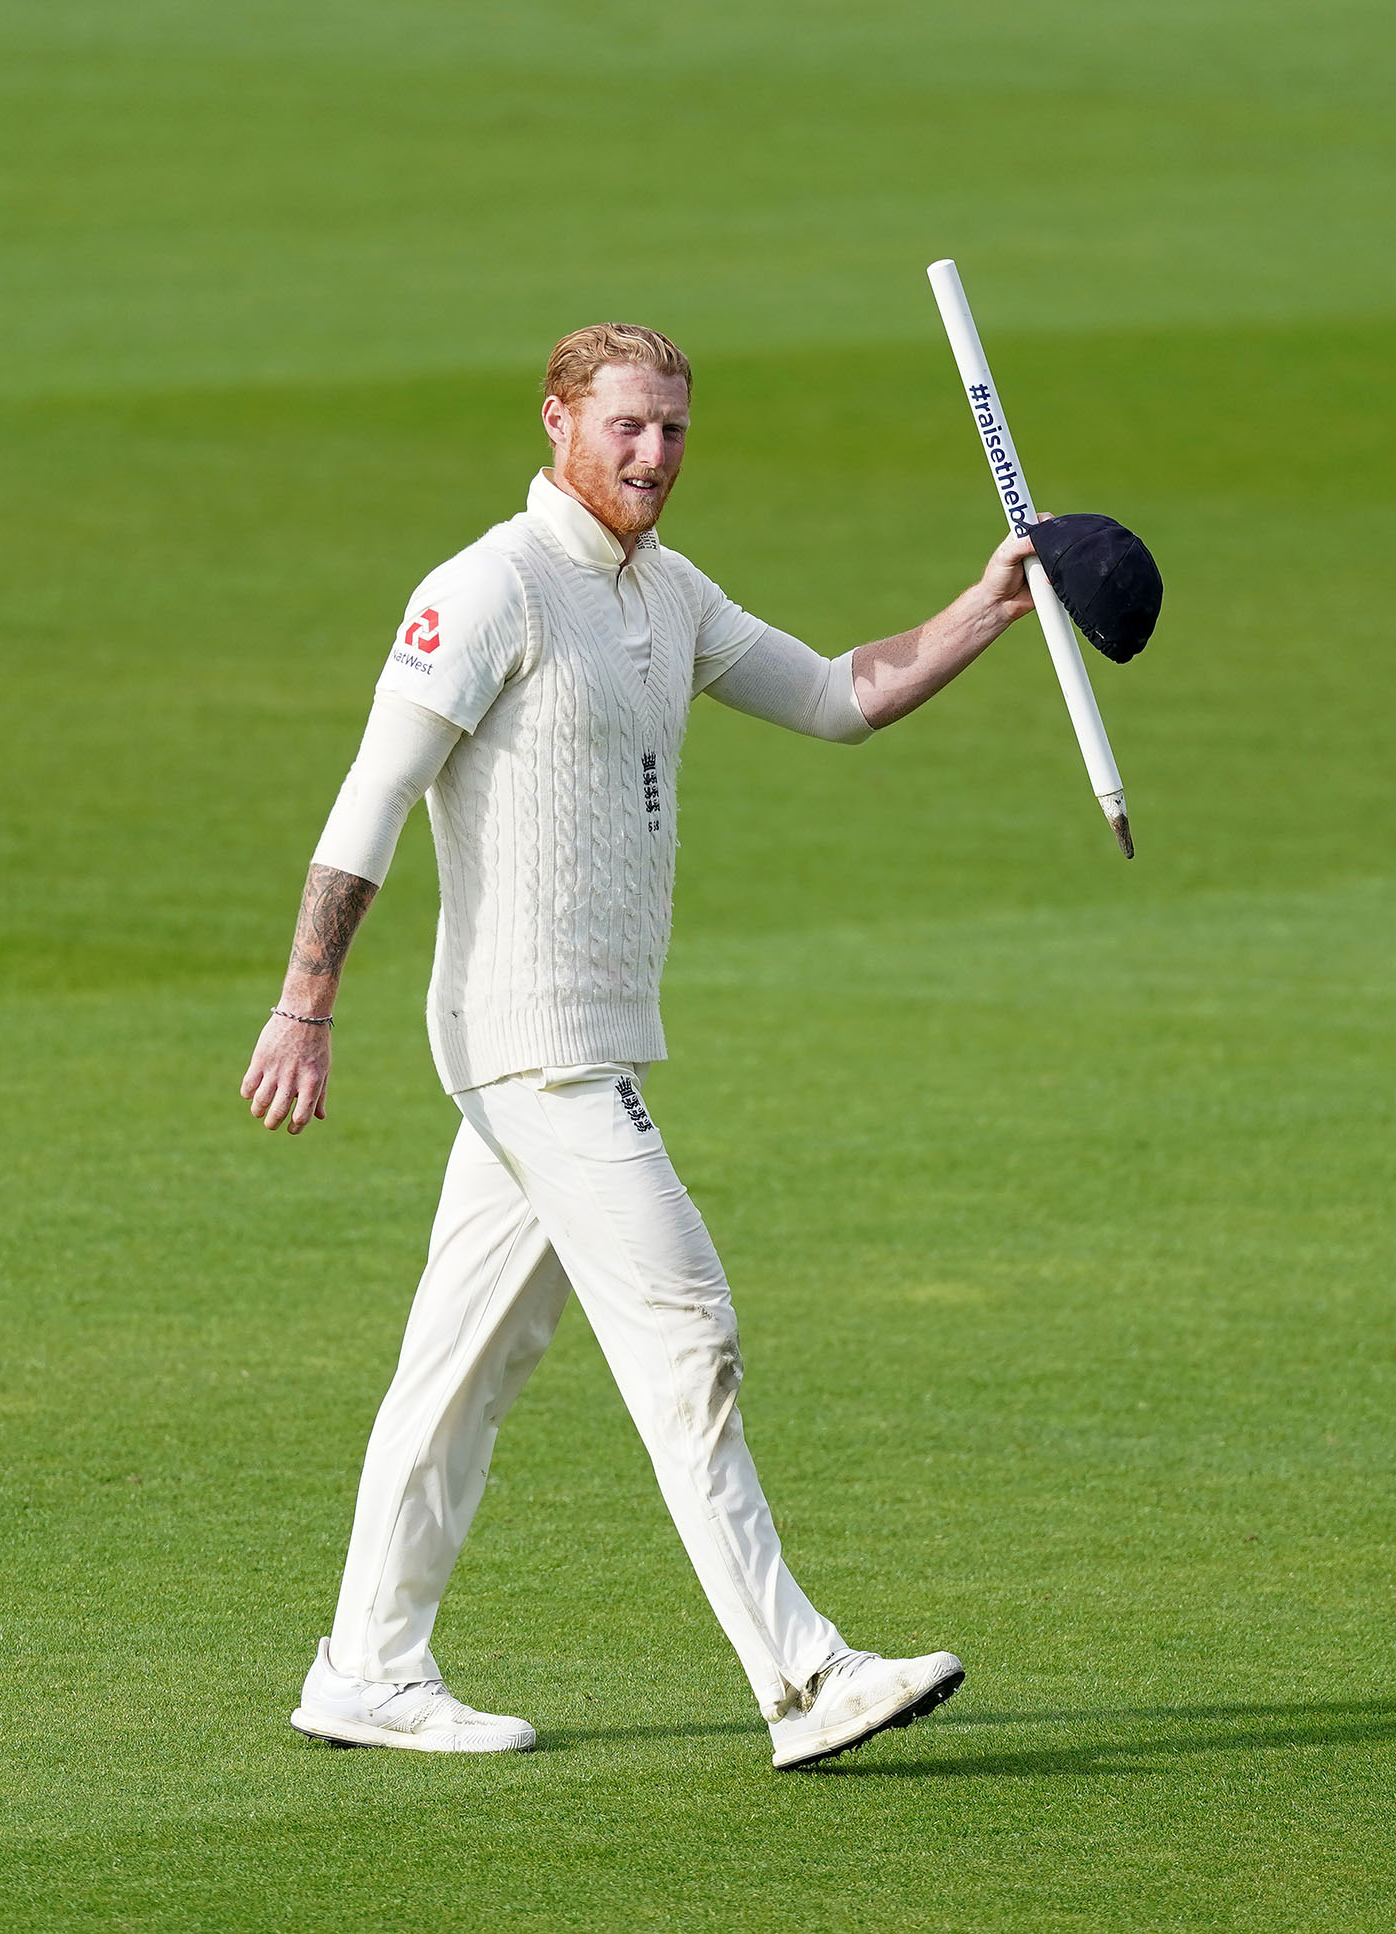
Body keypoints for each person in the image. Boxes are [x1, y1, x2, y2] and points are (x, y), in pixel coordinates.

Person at [241, 322, 1039, 1771]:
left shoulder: (669, 591)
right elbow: (372, 796)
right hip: (531, 1046)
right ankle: (804, 1677)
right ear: (557, 421)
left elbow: (837, 696)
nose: (655, 453)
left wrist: (987, 609)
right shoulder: (490, 586)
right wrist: (307, 1001)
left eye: (673, 427)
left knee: (463, 1367)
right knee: (689, 1331)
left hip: (589, 1038)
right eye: (626, 425)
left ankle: (365, 1666)